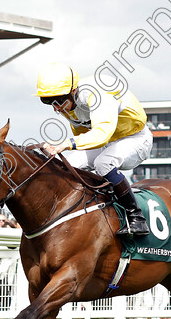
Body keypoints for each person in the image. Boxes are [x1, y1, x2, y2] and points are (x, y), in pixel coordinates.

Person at [37, 62, 152, 236]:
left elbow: (101, 134)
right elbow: (87, 139)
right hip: (107, 142)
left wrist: (64, 144)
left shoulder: (96, 93)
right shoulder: (67, 105)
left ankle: (136, 217)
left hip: (135, 138)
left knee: (103, 162)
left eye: (59, 100)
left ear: (73, 91)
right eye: (47, 101)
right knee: (67, 164)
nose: (55, 107)